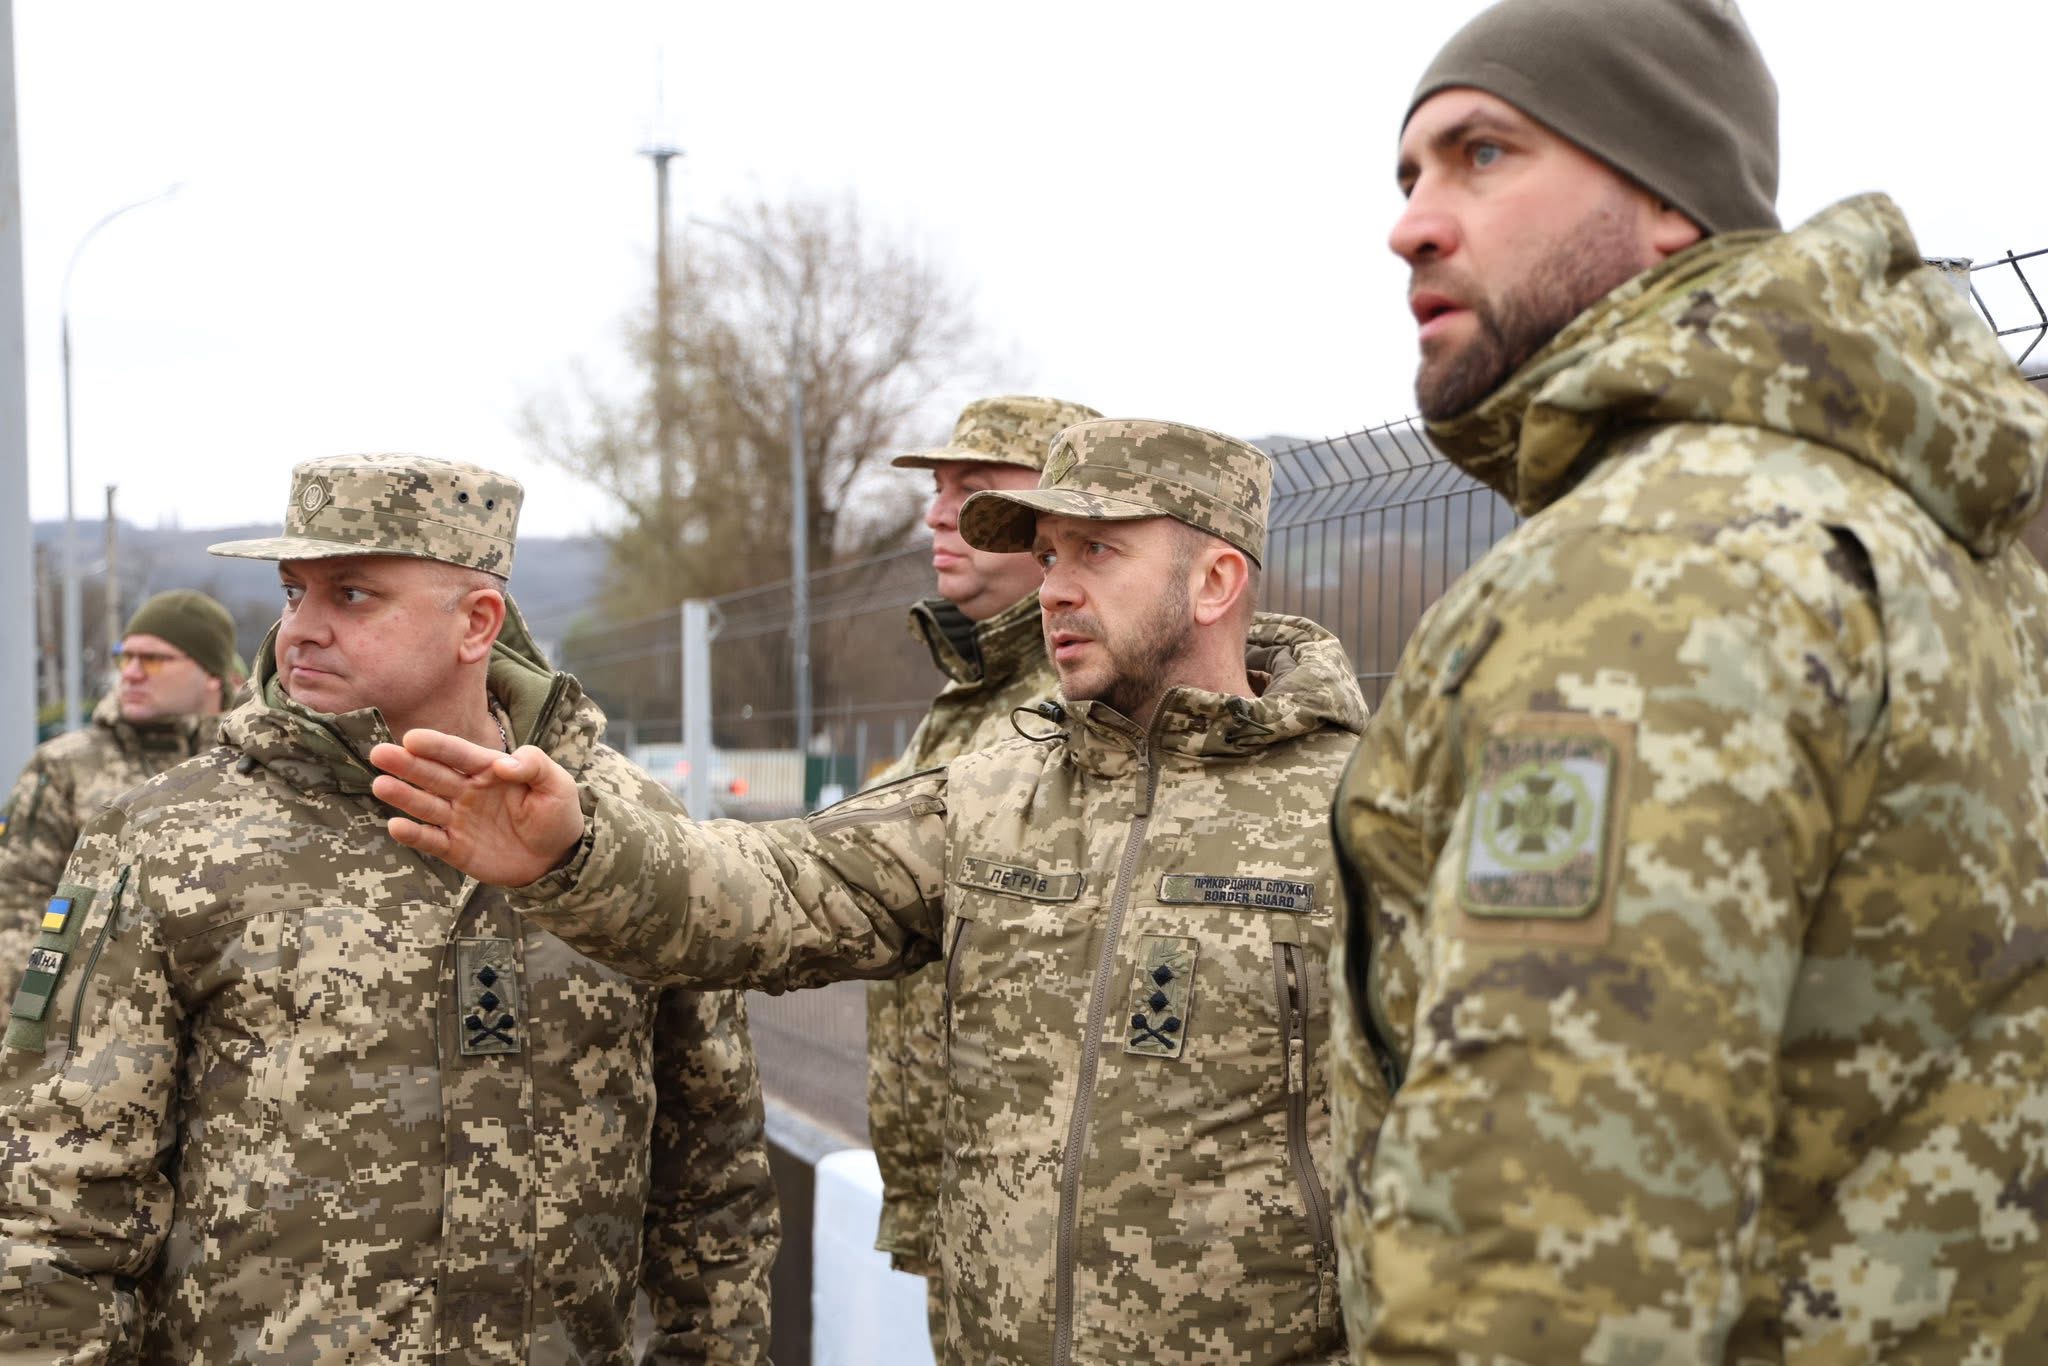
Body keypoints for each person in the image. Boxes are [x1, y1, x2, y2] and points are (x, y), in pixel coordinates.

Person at [1328, 0, 2048, 1358]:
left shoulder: (1652, 574)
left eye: (1484, 156)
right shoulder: (1946, 539)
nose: (1413, 222)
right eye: (1410, 174)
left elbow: (1552, 1268)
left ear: (1668, 200)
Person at [372, 420, 1377, 1364]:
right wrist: (579, 851)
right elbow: (782, 886)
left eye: (1096, 553)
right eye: (1050, 555)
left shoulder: (1363, 815)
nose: (1055, 590)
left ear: (1214, 580)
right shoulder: (992, 790)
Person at [0, 455, 779, 1362]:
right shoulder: (167, 838)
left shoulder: (618, 828)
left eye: (354, 595)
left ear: (475, 623)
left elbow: (714, 1179)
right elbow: (56, 1205)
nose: (302, 630)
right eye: (294, 593)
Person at [865, 392, 1097, 1317]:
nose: (937, 515)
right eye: (938, 488)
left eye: (975, 489)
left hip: (1058, 1218)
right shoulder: (971, 694)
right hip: (970, 1199)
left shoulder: (1091, 696)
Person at [0, 589, 239, 1001]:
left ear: (211, 673)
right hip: (99, 1024)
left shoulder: (247, 762)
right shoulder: (64, 766)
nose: (131, 672)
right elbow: (17, 903)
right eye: (124, 657)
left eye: (154, 659)